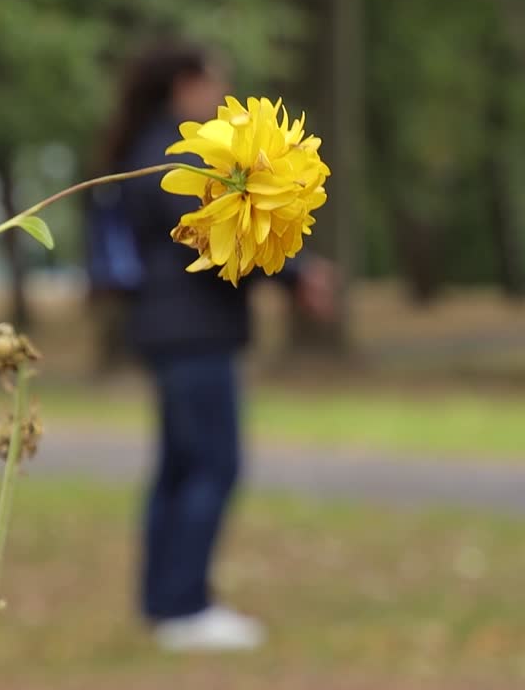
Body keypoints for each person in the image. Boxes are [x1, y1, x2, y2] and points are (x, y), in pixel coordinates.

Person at [91, 42, 334, 652]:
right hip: (192, 336)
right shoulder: (187, 154)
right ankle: (184, 608)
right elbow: (226, 232)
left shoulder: (155, 147)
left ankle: (162, 602)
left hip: (170, 333)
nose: (222, 98)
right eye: (215, 84)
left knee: (178, 469)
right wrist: (297, 274)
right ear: (186, 85)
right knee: (211, 467)